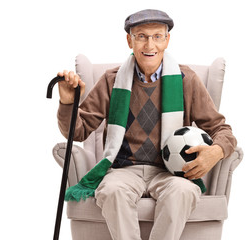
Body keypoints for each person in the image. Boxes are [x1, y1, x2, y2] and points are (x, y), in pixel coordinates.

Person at [56, 9, 237, 240]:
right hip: (123, 170)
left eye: (157, 36)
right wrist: (67, 102)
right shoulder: (112, 81)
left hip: (171, 173)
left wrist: (216, 151)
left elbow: (222, 130)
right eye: (141, 36)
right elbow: (78, 131)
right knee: (111, 191)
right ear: (129, 40)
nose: (149, 44)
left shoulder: (186, 80)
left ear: (167, 40)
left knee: (182, 192)